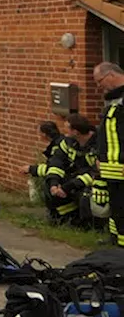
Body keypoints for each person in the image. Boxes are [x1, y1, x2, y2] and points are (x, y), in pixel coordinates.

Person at [43, 114, 98, 225]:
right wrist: (54, 183)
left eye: (67, 127)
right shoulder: (67, 142)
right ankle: (66, 219)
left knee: (85, 195)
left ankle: (88, 225)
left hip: (93, 181)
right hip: (76, 177)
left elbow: (95, 172)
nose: (64, 130)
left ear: (76, 132)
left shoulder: (98, 144)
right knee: (48, 185)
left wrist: (68, 186)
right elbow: (57, 161)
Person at [91, 62, 124, 247]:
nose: (99, 86)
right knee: (116, 214)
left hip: (120, 172)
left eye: (99, 81)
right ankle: (116, 249)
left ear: (111, 75)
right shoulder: (114, 100)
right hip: (111, 173)